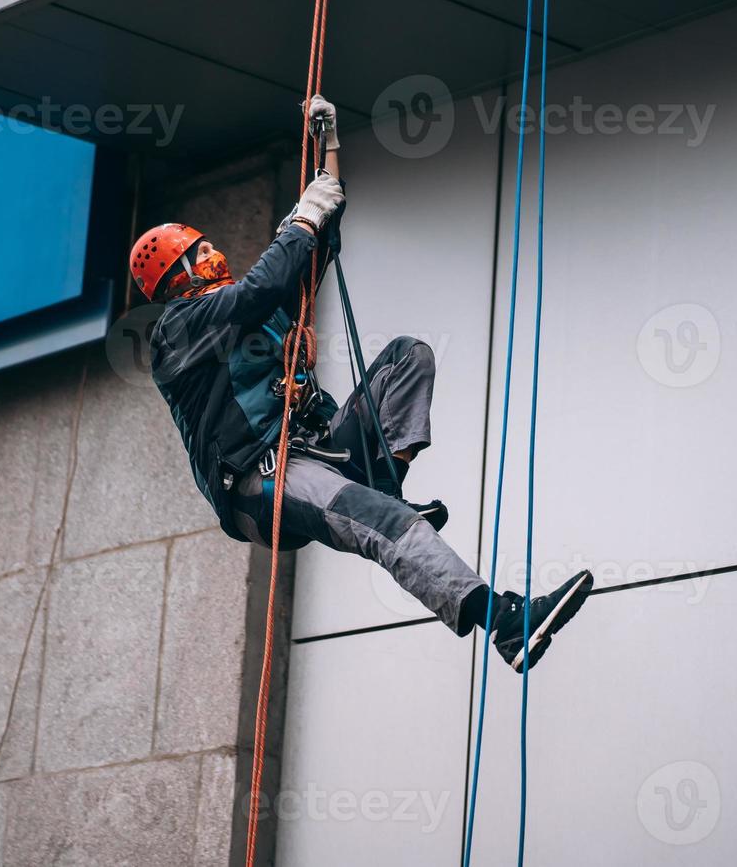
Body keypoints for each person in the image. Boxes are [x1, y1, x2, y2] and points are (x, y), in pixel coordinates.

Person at [129, 95, 591, 671]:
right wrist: (301, 218)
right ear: (178, 274)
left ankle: (385, 486)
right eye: (201, 251)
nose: (216, 252)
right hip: (262, 479)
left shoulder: (248, 311)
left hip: (315, 452)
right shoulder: (178, 331)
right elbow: (270, 279)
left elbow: (314, 242)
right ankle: (504, 622)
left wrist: (330, 150)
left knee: (407, 358)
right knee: (383, 526)